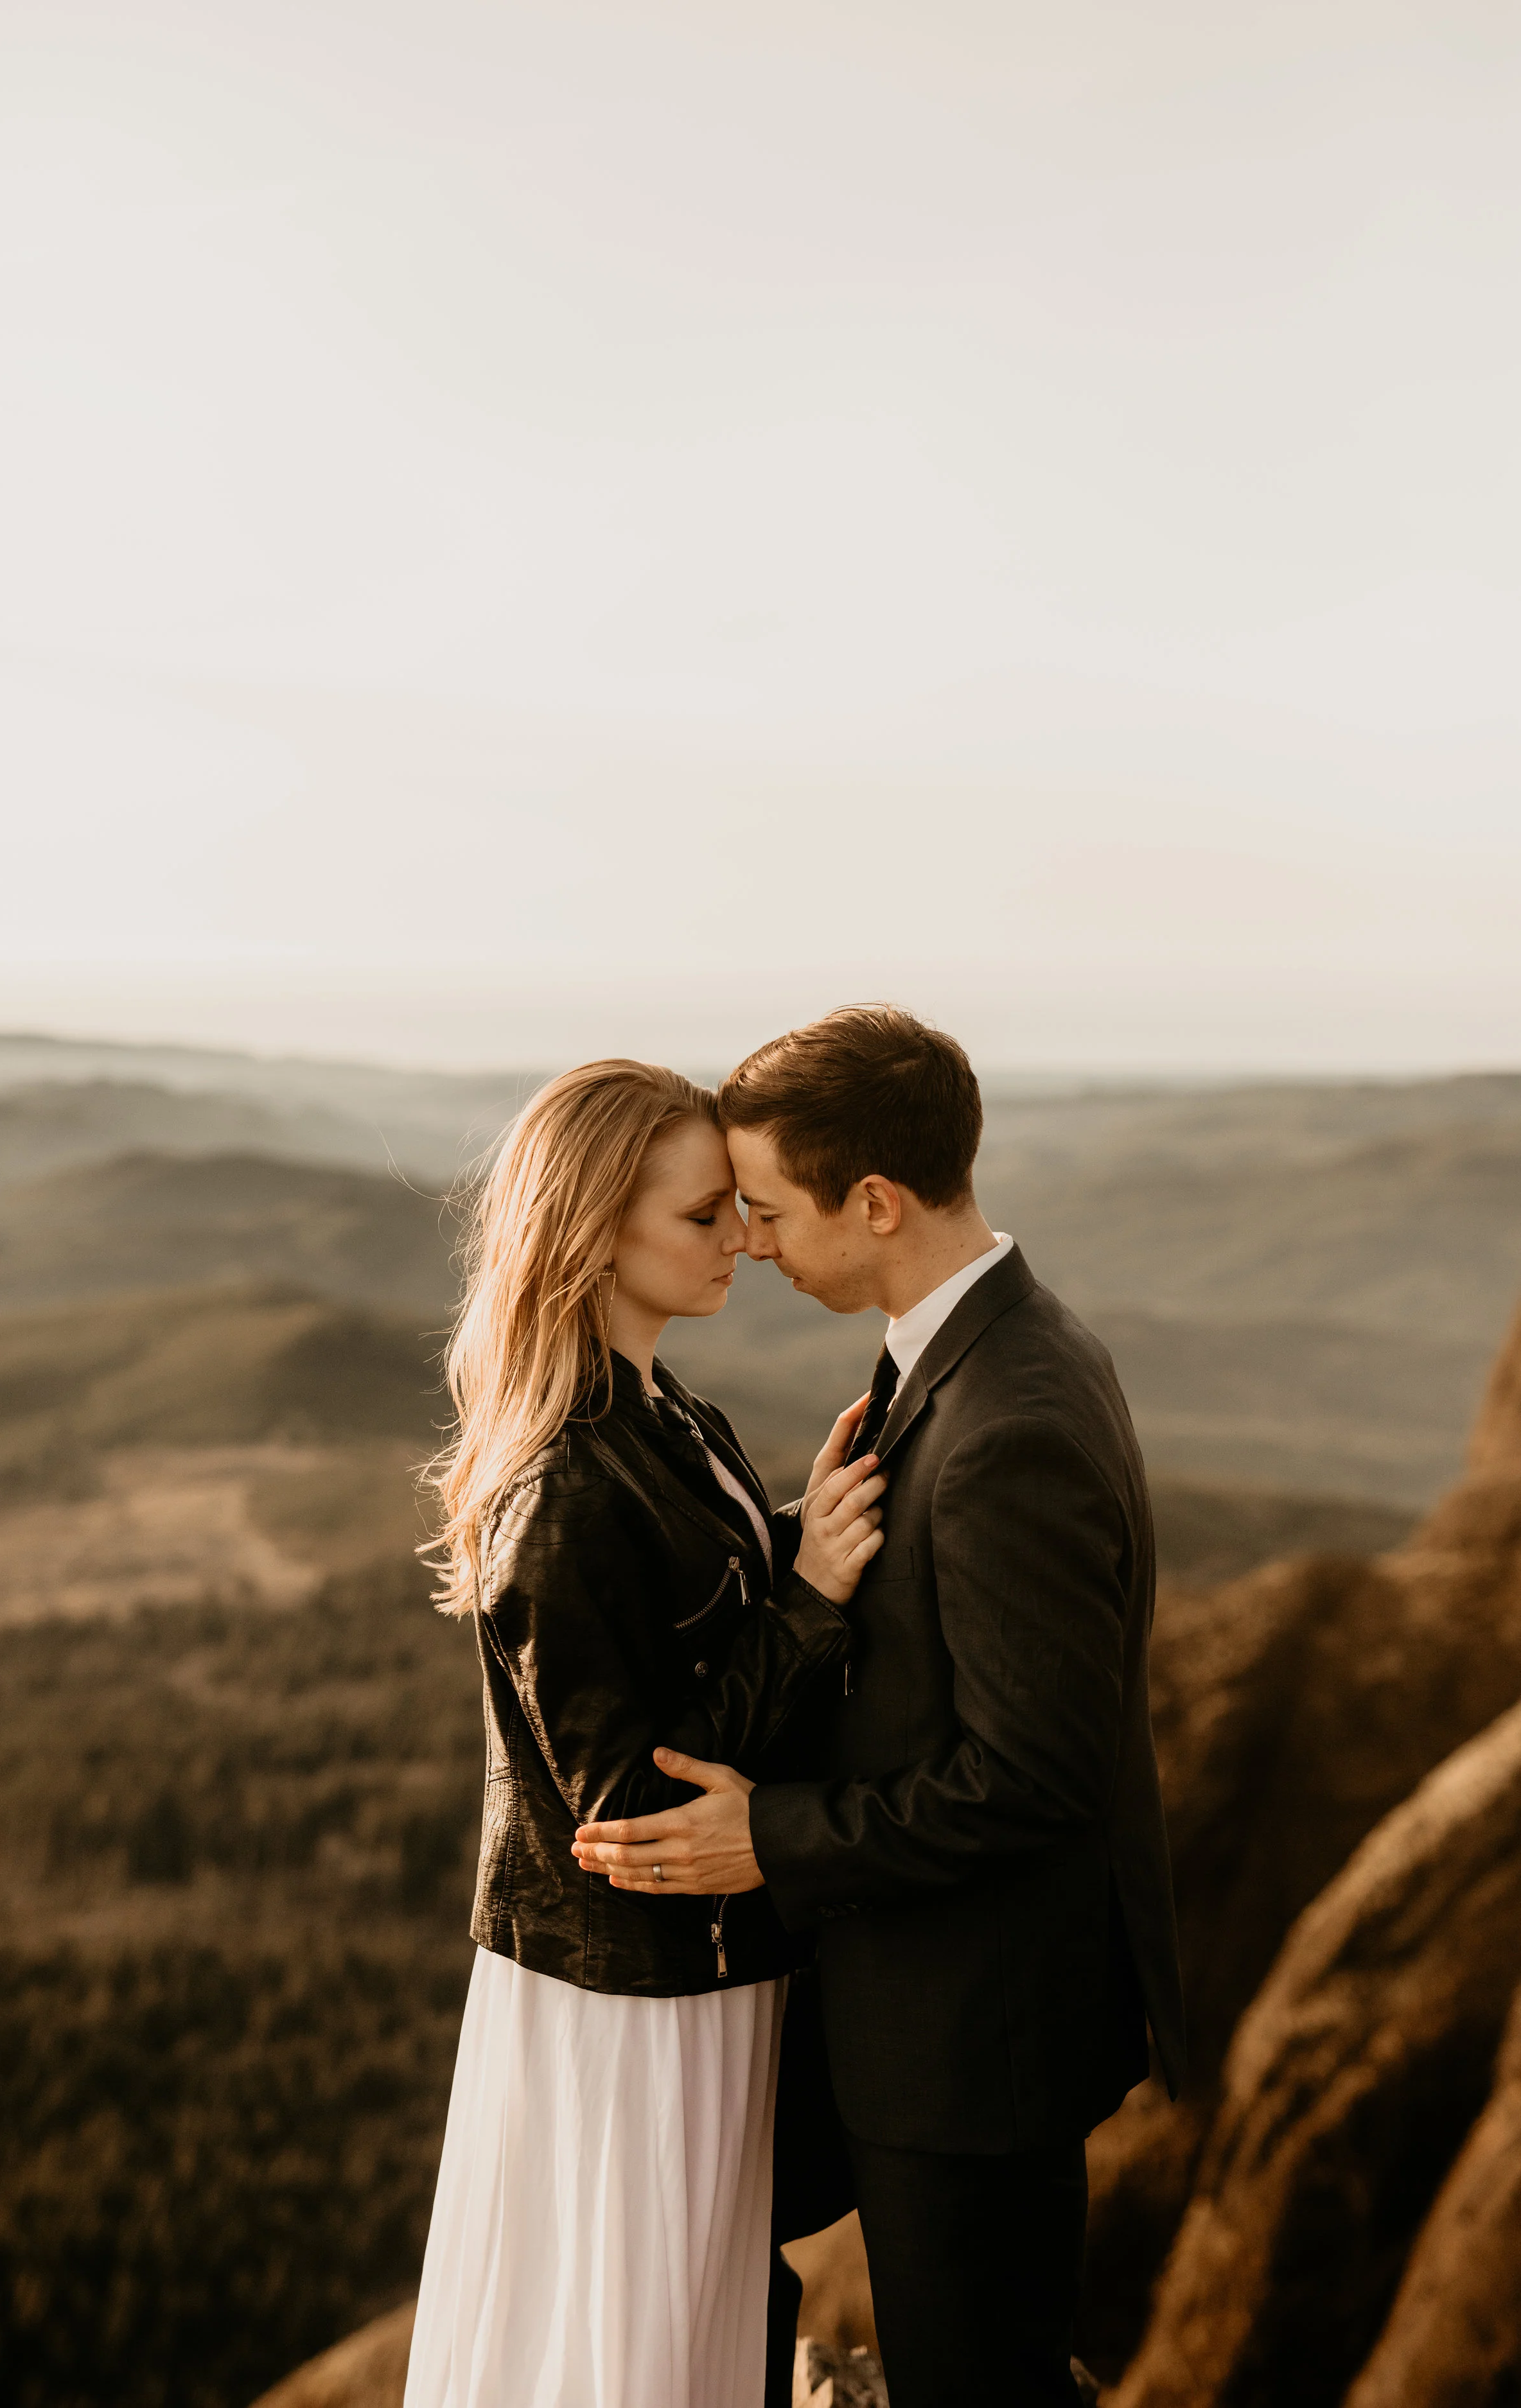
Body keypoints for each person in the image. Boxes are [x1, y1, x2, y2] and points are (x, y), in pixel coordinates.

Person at [575, 1007, 1188, 2408]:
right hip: (926, 2009)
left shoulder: (1011, 1414)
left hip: (974, 2040)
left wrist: (769, 1838)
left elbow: (1033, 1776)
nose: (755, 1242)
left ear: (873, 1200)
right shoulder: (969, 1348)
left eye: (771, 1210)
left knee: (974, 2380)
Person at [402, 1058, 886, 2408]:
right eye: (699, 1216)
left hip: (701, 1973)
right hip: (631, 2000)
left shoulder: (667, 1412)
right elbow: (625, 1802)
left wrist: (797, 1531)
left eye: (735, 1206)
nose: (739, 1235)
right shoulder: (560, 1483)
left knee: (685, 2328)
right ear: (591, 1228)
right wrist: (807, 1600)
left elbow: (686, 1629)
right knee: (632, 2339)